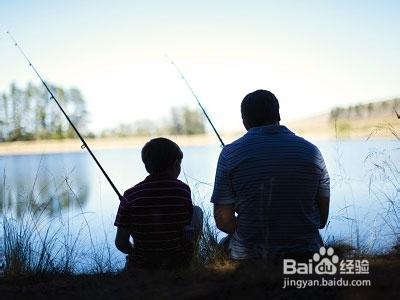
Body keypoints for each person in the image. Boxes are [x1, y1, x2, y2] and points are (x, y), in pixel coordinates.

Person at [211, 90, 330, 261]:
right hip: (308, 251)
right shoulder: (312, 151)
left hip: (250, 256)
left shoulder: (229, 154)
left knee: (222, 246)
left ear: (244, 121)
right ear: (278, 114)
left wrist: (251, 228)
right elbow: (321, 220)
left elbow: (223, 221)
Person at [114, 137, 203, 270]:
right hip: (177, 261)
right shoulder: (182, 189)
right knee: (196, 211)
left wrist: (134, 251)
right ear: (175, 164)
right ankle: (189, 260)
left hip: (142, 264)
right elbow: (186, 223)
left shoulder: (129, 195)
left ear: (146, 166)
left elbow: (121, 243)